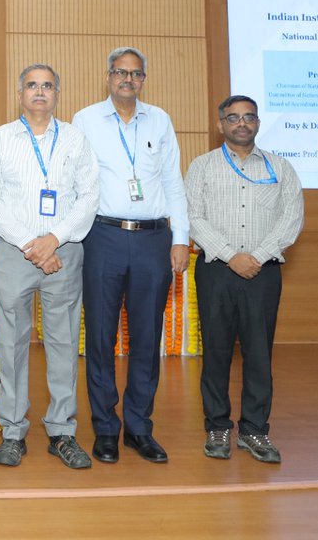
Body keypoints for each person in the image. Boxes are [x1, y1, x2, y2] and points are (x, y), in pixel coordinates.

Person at [72, 47, 190, 464]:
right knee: (101, 338)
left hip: (154, 239)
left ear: (143, 79)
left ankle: (139, 427)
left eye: (135, 74)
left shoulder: (160, 120)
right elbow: (76, 182)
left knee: (146, 338)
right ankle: (105, 428)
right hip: (102, 236)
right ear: (108, 76)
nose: (128, 79)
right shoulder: (85, 120)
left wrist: (181, 238)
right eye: (120, 72)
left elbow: (174, 183)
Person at [0, 65, 100, 469]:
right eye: (32, 85)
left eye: (48, 86)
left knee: (64, 343)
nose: (40, 92)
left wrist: (54, 238)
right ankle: (12, 431)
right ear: (20, 93)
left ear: (57, 94)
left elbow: (89, 197)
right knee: (11, 344)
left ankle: (62, 431)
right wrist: (33, 245)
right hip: (16, 254)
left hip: (63, 252)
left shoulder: (76, 140)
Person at [186, 95, 303, 464]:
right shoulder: (202, 166)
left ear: (257, 122)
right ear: (221, 124)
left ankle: (254, 431)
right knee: (217, 353)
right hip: (216, 270)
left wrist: (256, 256)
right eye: (233, 117)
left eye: (248, 117)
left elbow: (291, 219)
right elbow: (192, 217)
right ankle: (217, 427)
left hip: (262, 273)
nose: (241, 123)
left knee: (258, 354)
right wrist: (230, 255)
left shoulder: (280, 167)